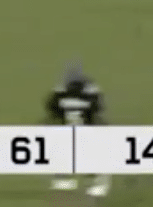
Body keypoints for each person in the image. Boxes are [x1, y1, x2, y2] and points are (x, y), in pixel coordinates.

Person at [46, 63, 109, 197]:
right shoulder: (66, 93)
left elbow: (53, 110)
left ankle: (97, 181)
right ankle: (65, 178)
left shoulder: (65, 94)